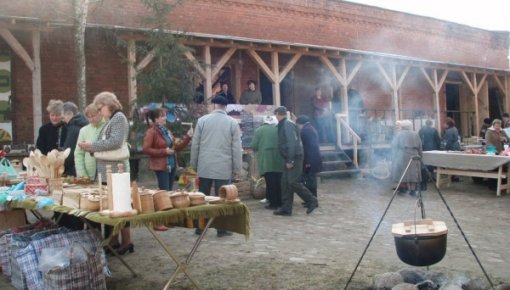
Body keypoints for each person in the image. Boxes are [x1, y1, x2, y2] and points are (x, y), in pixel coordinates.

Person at [78, 92, 133, 254]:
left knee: (120, 207)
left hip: (115, 171)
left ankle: (127, 241)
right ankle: (114, 240)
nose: (100, 112)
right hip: (108, 171)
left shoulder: (118, 118)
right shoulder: (112, 119)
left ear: (108, 104)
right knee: (112, 208)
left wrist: (92, 146)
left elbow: (115, 142)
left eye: (100, 108)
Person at [190, 95, 242, 237]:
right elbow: (236, 148)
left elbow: (195, 145)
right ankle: (222, 228)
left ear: (213, 106)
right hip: (223, 167)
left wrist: (193, 164)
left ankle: (200, 227)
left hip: (205, 165)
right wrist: (237, 169)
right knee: (223, 198)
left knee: (203, 197)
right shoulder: (232, 123)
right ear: (226, 107)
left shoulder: (202, 121)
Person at [143, 108, 193, 231]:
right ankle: (157, 222)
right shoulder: (151, 132)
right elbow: (146, 149)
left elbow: (177, 147)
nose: (165, 118)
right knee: (163, 194)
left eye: (165, 115)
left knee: (168, 193)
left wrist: (188, 137)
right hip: (161, 166)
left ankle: (166, 220)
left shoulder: (167, 131)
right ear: (155, 119)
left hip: (171, 165)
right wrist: (163, 151)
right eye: (162, 116)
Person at [273, 106, 318, 216]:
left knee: (293, 182)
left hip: (294, 157)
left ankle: (311, 199)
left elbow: (292, 143)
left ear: (278, 114)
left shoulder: (287, 124)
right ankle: (286, 208)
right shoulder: (285, 124)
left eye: (276, 115)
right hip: (289, 157)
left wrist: (290, 160)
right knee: (285, 183)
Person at [251, 115, 283, 210]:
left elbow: (254, 145)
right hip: (279, 159)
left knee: (270, 182)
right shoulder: (279, 129)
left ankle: (273, 204)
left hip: (266, 160)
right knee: (279, 181)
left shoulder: (259, 130)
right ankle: (280, 202)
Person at [74, 103, 106, 180]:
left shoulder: (108, 127)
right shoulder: (84, 130)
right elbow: (78, 154)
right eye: (88, 117)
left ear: (100, 113)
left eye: (93, 116)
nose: (91, 119)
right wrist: (82, 174)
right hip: (89, 174)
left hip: (106, 172)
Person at [295, 115, 323, 203]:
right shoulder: (311, 128)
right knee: (311, 180)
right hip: (314, 159)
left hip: (310, 160)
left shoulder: (305, 130)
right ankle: (311, 199)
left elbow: (308, 148)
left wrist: (307, 162)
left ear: (300, 123)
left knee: (310, 181)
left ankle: (312, 200)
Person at [391, 120, 422, 195]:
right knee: (414, 172)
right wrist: (420, 155)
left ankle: (403, 188)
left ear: (403, 126)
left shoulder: (399, 134)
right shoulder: (415, 134)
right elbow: (420, 146)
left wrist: (394, 156)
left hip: (403, 154)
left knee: (402, 171)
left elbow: (395, 146)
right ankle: (413, 190)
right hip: (414, 154)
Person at [62, 101, 88, 177]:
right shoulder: (83, 125)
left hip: (73, 170)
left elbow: (69, 152)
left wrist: (62, 166)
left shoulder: (73, 128)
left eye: (63, 117)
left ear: (70, 114)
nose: (63, 120)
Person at [418, 119, 440, 189]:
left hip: (424, 149)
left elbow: (419, 139)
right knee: (433, 163)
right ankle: (432, 176)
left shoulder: (422, 130)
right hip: (433, 149)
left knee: (425, 163)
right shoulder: (434, 130)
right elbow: (438, 140)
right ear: (431, 124)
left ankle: (426, 177)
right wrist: (438, 148)